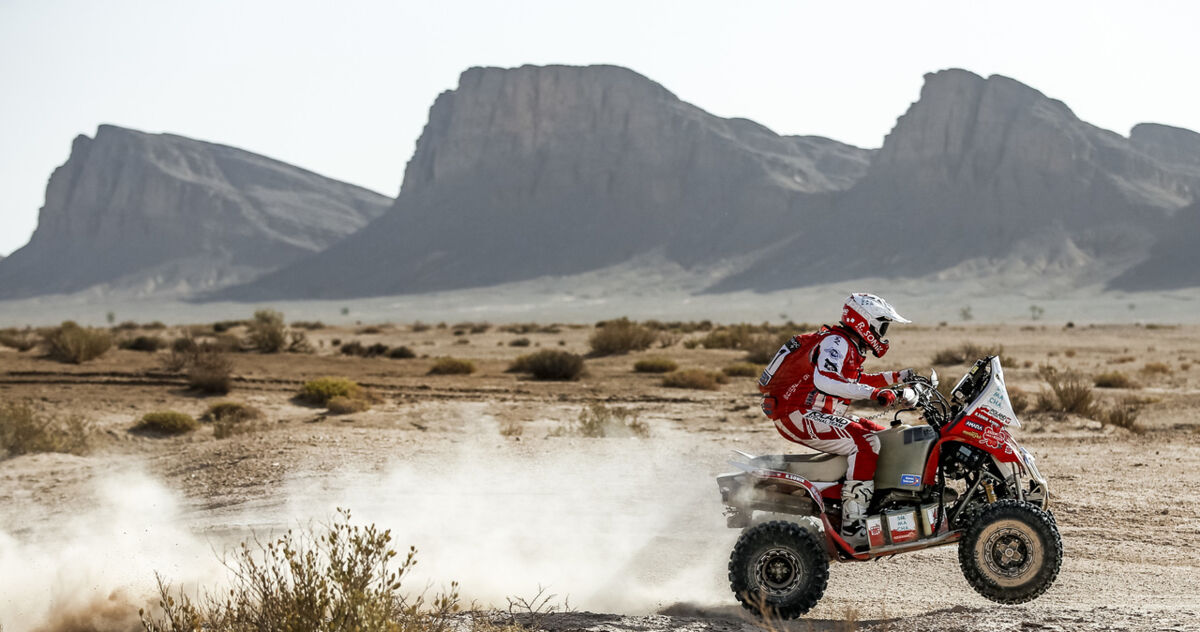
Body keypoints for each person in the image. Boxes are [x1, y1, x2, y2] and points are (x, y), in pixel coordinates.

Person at [757, 293, 914, 548]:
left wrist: (902, 376)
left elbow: (856, 381)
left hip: (814, 413)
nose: (884, 333)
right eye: (882, 325)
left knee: (883, 434)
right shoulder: (836, 342)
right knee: (866, 442)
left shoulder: (847, 344)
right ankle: (853, 525)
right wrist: (876, 394)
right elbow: (826, 380)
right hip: (797, 413)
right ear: (866, 322)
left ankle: (875, 503)